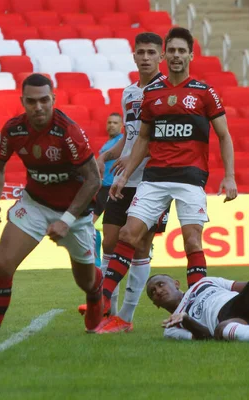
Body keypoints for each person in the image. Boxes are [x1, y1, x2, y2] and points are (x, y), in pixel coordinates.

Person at [0, 73, 103, 365]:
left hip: (74, 214)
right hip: (35, 205)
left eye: (44, 100)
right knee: (2, 266)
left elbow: (93, 180)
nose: (38, 106)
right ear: (23, 102)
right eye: (32, 101)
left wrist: (66, 219)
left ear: (53, 100)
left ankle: (94, 294)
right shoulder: (13, 130)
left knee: (86, 281)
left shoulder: (69, 132)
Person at [100, 27, 238, 319]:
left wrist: (230, 176)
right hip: (155, 178)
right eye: (172, 50)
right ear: (168, 54)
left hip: (190, 177)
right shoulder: (151, 95)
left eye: (181, 51)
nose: (176, 56)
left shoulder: (204, 92)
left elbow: (224, 135)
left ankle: (199, 310)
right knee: (127, 234)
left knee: (192, 241)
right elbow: (143, 139)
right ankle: (104, 307)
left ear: (190, 54)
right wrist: (124, 176)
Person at [82, 33, 177, 334]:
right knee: (110, 240)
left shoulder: (167, 92)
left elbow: (155, 139)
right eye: (141, 52)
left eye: (151, 52)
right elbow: (132, 134)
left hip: (153, 180)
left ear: (160, 57)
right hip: (125, 178)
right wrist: (107, 154)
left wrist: (127, 169)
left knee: (138, 245)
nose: (146, 57)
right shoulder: (129, 93)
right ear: (134, 57)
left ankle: (125, 315)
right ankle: (107, 306)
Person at [92, 113, 123, 223]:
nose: (111, 125)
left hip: (112, 187)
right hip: (103, 188)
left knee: (107, 223)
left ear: (122, 125)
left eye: (115, 123)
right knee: (94, 222)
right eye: (109, 122)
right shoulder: (108, 143)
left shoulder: (122, 141)